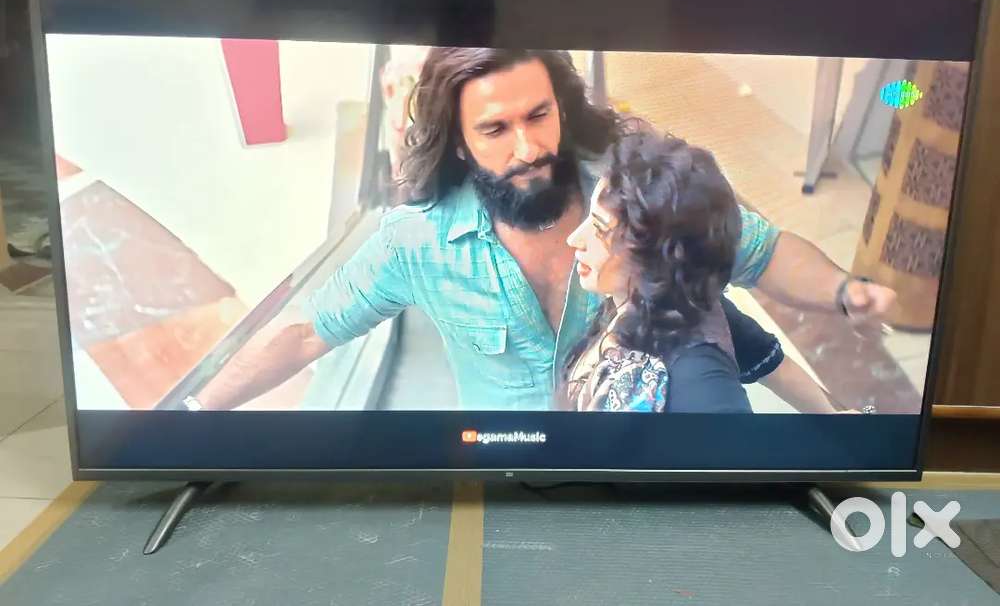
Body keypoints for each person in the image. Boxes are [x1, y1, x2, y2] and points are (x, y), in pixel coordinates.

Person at [192, 48, 895, 412]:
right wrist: (194, 412)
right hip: (504, 478)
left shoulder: (631, 188)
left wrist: (844, 292)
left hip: (628, 474)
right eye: (495, 129)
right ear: (460, 142)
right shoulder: (418, 242)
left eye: (538, 116)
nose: (528, 148)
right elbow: (307, 333)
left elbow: (761, 254)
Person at [564, 125, 752, 412]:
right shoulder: (626, 300)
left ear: (656, 253)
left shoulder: (697, 374)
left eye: (600, 227)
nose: (574, 239)